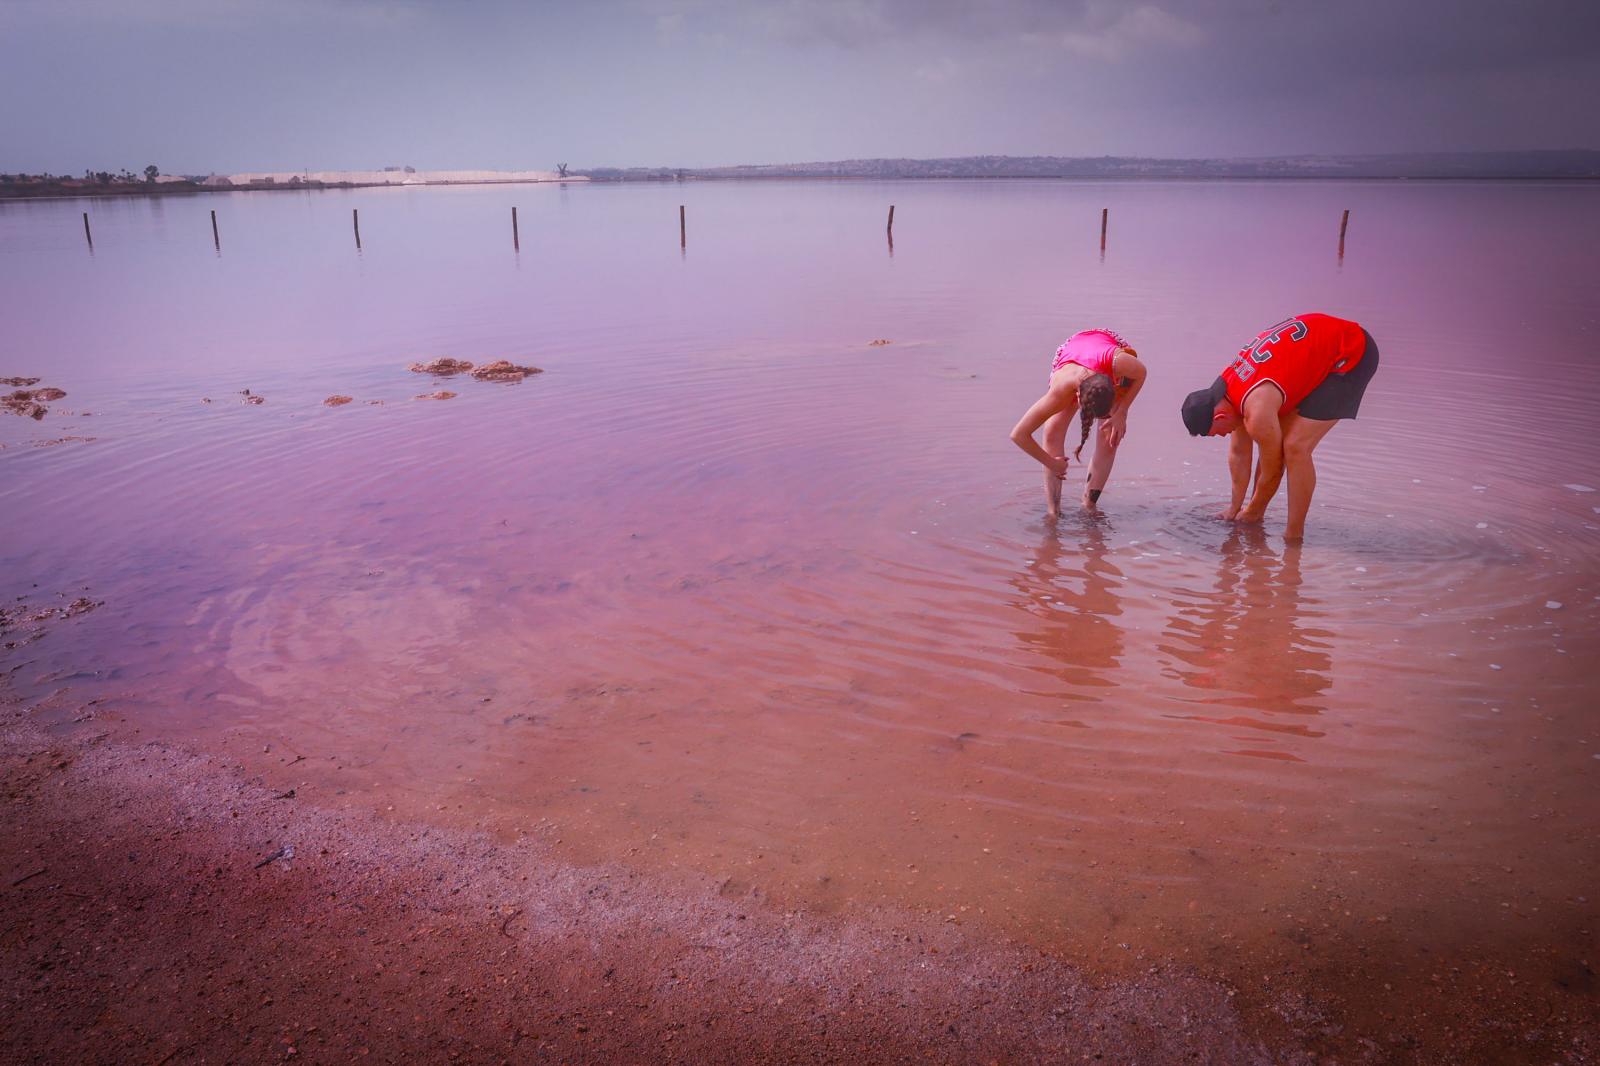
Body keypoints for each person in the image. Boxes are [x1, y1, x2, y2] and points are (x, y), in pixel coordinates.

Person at [1180, 313, 1379, 542]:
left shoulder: (1256, 410)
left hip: (1352, 351)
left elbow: (1273, 468)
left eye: (1216, 433)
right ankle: (1255, 516)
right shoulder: (1226, 391)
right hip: (1321, 345)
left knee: (1294, 447)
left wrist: (1252, 511)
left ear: (1219, 416)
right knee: (1276, 440)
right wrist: (1234, 509)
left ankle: (1294, 537)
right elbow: (1239, 453)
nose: (1223, 435)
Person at [1010, 328, 1148, 516]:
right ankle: (1053, 511)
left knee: (1109, 435)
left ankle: (1088, 505)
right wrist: (1052, 463)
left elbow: (1141, 373)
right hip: (1073, 351)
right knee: (1052, 432)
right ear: (1077, 398)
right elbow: (1018, 435)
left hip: (1104, 348)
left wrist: (1121, 412)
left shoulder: (1119, 363)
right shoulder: (1060, 393)